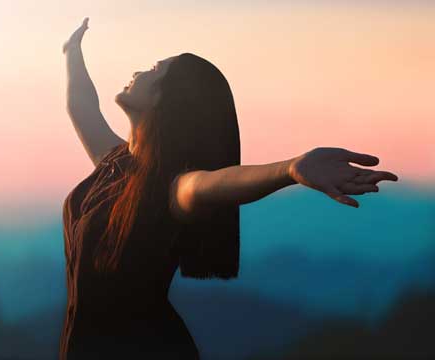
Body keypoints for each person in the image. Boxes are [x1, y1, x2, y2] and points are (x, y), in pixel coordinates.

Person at [59, 17, 398, 360]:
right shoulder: (114, 165)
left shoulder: (171, 187)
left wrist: (289, 169)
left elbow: (214, 183)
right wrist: (72, 51)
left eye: (154, 68)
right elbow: (81, 106)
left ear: (166, 100)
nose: (139, 71)